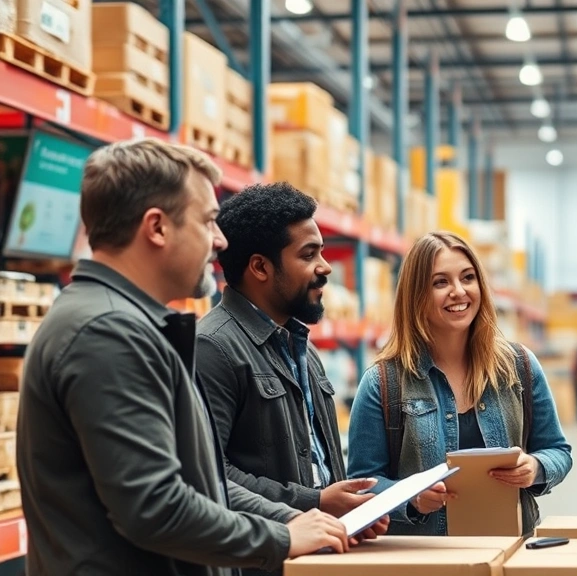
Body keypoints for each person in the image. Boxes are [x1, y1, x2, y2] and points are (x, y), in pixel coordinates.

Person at [16, 139, 353, 576]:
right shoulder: (108, 333)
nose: (219, 240)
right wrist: (282, 538)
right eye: (208, 221)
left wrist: (294, 517)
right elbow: (155, 506)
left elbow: (205, 484)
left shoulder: (127, 324)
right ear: (157, 228)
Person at [195, 182, 387, 576]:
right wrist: (314, 502)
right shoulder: (212, 348)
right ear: (261, 267)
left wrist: (348, 512)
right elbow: (209, 475)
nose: (326, 267)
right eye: (308, 254)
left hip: (319, 558)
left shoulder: (302, 348)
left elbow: (318, 460)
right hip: (264, 563)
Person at [346, 231, 572, 536]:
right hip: (427, 561)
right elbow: (362, 485)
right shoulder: (384, 382)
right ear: (416, 296)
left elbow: (557, 450)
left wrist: (535, 467)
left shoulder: (518, 367)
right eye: (441, 282)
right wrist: (411, 498)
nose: (459, 291)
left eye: (468, 278)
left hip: (511, 550)